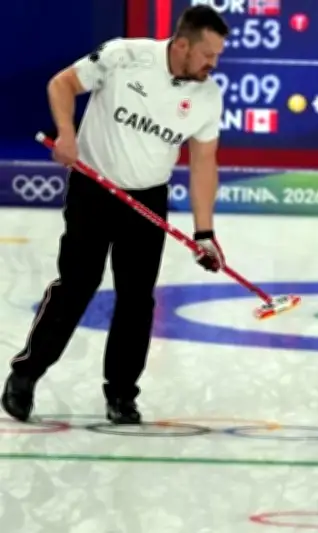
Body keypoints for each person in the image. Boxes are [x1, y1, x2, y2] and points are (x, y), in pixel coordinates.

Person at [2, 6, 230, 425]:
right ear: (181, 45)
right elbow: (62, 84)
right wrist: (67, 136)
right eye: (208, 55)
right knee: (77, 285)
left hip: (147, 200)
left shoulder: (207, 95)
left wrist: (204, 232)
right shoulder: (124, 55)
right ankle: (25, 374)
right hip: (94, 189)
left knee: (137, 298)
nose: (213, 65)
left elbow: (203, 163)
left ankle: (122, 394)